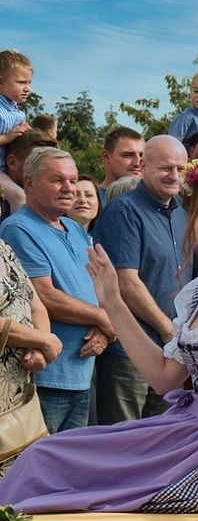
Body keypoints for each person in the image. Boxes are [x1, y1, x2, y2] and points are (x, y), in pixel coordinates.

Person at [0, 160, 198, 513]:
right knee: (47, 454)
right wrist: (113, 302)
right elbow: (165, 378)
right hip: (188, 431)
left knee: (88, 491)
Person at [0, 148, 113, 433]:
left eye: (73, 181)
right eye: (57, 180)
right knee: (38, 467)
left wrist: (103, 330)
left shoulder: (75, 229)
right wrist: (101, 318)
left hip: (82, 372)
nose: (68, 188)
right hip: (46, 375)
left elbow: (96, 286)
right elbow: (44, 296)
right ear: (29, 183)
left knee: (71, 469)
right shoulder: (18, 229)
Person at [91, 135, 189, 424]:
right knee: (123, 443)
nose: (174, 176)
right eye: (166, 168)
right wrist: (168, 330)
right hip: (130, 352)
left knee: (161, 444)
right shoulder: (124, 211)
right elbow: (126, 282)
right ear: (143, 167)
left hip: (172, 352)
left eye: (180, 169)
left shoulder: (181, 212)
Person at [0, 238, 62, 476]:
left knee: (21, 488)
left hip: (18, 395)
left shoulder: (5, 246)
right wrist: (42, 341)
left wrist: (39, 347)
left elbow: (36, 305)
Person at [0, 50, 34, 212]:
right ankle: (16, 235)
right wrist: (7, 138)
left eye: (29, 83)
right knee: (19, 197)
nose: (27, 88)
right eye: (21, 82)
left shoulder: (17, 112)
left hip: (10, 170)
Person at [98, 127, 144, 201]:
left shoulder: (159, 199)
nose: (138, 163)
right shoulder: (88, 201)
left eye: (142, 155)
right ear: (106, 157)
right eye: (128, 155)